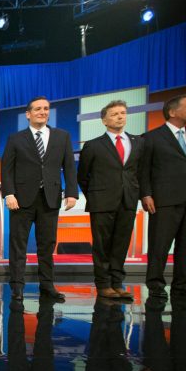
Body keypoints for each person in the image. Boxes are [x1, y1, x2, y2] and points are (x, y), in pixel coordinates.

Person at [139, 94, 186, 301]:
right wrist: (146, 194)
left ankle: (183, 286)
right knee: (159, 244)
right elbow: (143, 170)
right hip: (164, 199)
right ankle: (155, 285)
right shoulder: (151, 137)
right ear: (173, 111)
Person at [1, 97, 78, 302]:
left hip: (50, 199)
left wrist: (72, 193)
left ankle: (47, 286)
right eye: (38, 109)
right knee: (18, 245)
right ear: (28, 113)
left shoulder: (62, 136)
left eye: (46, 109)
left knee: (47, 245)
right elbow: (6, 169)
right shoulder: (15, 139)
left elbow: (69, 166)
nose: (42, 112)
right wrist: (9, 194)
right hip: (21, 200)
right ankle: (17, 287)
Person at [78, 100, 144, 301]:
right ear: (104, 120)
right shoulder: (93, 145)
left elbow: (139, 172)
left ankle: (117, 283)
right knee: (102, 245)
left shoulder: (138, 142)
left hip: (128, 201)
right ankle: (104, 284)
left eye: (123, 113)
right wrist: (96, 196)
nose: (120, 116)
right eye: (114, 114)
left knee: (121, 244)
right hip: (101, 202)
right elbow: (83, 176)